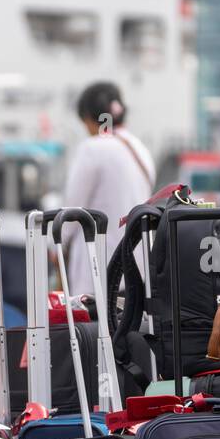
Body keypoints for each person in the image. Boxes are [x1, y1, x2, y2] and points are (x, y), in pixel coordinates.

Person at [60, 82, 154, 297]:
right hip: (137, 266)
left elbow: (72, 212)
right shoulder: (141, 149)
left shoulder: (92, 148)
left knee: (95, 329)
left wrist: (56, 244)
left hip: (97, 269)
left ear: (90, 118)